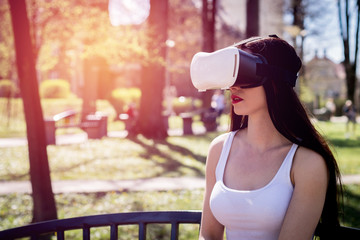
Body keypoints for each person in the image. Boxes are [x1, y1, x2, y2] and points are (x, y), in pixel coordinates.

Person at [193, 36, 343, 240]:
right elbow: (208, 235)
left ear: (276, 80)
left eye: (244, 73)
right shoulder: (219, 149)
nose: (233, 87)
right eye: (232, 77)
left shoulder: (307, 164)